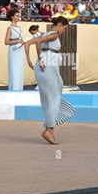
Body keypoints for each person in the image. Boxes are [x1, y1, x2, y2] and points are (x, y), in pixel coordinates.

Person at [24, 16, 76, 145]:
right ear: (59, 25)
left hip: (44, 68)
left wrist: (30, 60)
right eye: (64, 28)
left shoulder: (45, 33)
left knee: (48, 98)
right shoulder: (53, 35)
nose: (64, 31)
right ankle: (49, 130)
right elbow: (37, 42)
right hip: (47, 67)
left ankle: (49, 129)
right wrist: (41, 59)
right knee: (54, 98)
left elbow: (27, 43)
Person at [4, 9, 24, 91]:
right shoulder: (10, 28)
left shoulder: (19, 27)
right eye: (16, 16)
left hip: (20, 50)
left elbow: (21, 39)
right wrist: (17, 41)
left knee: (20, 70)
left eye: (18, 15)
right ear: (12, 17)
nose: (18, 17)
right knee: (14, 71)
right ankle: (13, 90)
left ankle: (19, 89)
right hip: (13, 51)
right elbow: (6, 41)